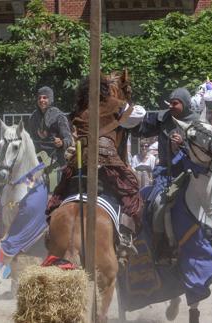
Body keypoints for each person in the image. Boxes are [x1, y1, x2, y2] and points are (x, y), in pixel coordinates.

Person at [46, 77, 145, 257]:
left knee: (60, 193)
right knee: (131, 189)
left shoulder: (79, 108)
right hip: (107, 162)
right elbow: (140, 114)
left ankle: (49, 232)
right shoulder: (115, 105)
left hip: (78, 162)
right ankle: (125, 234)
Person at [132, 87, 200, 262]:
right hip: (166, 176)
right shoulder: (163, 119)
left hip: (191, 174)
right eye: (170, 102)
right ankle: (160, 246)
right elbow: (140, 129)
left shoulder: (197, 123)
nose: (171, 105)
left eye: (175, 103)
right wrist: (129, 117)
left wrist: (184, 143)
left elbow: (202, 149)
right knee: (158, 205)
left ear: (184, 104)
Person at [26, 86, 74, 190]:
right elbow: (29, 140)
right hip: (36, 161)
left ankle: (52, 203)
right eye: (39, 98)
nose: (41, 100)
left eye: (45, 97)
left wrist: (61, 143)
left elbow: (69, 139)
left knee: (52, 192)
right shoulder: (33, 117)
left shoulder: (59, 116)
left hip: (55, 159)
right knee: (27, 187)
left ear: (50, 99)